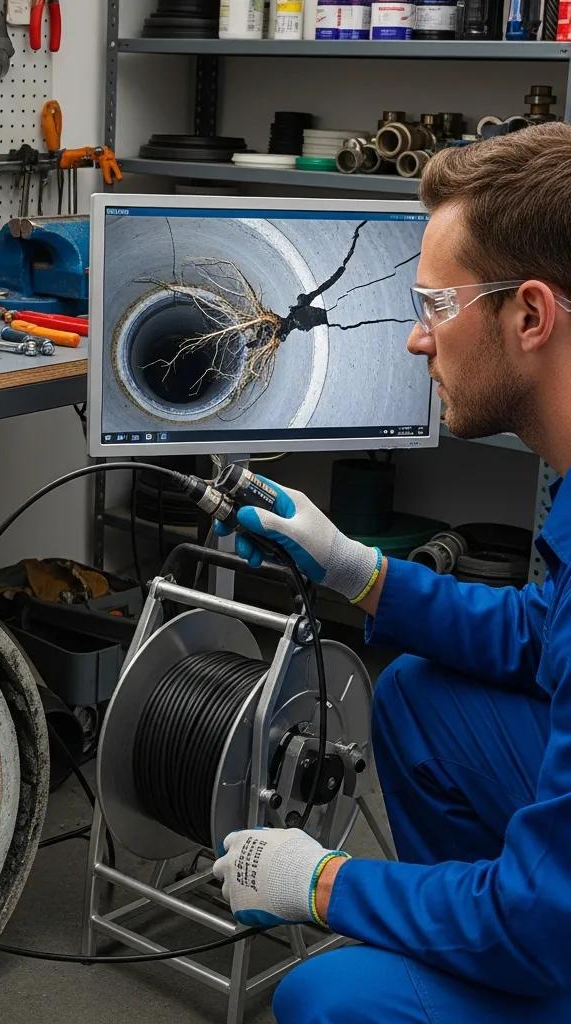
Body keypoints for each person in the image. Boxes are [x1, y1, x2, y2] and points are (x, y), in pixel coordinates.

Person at [210, 121, 571, 1023]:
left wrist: (324, 882)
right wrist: (355, 569)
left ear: (530, 315)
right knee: (418, 694)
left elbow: (538, 916)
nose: (418, 343)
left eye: (435, 309)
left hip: (549, 919)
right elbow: (540, 636)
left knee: (327, 1000)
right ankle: (495, 970)